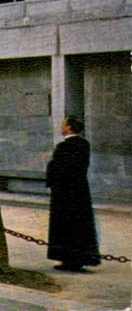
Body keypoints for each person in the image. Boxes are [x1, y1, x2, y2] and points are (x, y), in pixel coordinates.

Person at [45, 115, 100, 272]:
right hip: (80, 190)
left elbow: (56, 168)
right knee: (80, 224)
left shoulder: (64, 146)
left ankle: (68, 258)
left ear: (69, 127)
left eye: (64, 125)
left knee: (65, 225)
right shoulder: (84, 144)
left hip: (64, 192)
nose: (62, 127)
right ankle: (81, 257)